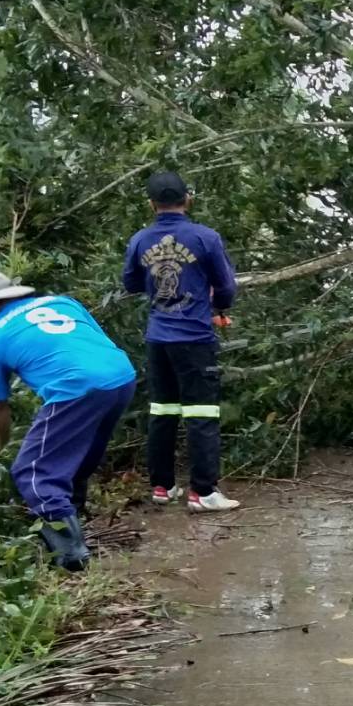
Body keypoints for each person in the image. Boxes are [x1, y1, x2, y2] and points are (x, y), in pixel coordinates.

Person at [0, 273, 137, 571]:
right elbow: (92, 341)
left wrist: (0, 447)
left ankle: (72, 557)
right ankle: (75, 516)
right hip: (120, 375)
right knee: (79, 454)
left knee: (32, 470)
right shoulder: (63, 303)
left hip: (75, 387)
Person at [122, 171, 243, 513]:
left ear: (151, 204)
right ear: (187, 199)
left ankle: (163, 486)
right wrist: (219, 307)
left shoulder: (140, 240)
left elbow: (131, 283)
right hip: (194, 338)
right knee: (201, 412)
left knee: (163, 411)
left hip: (157, 338)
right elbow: (226, 286)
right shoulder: (205, 238)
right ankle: (203, 492)